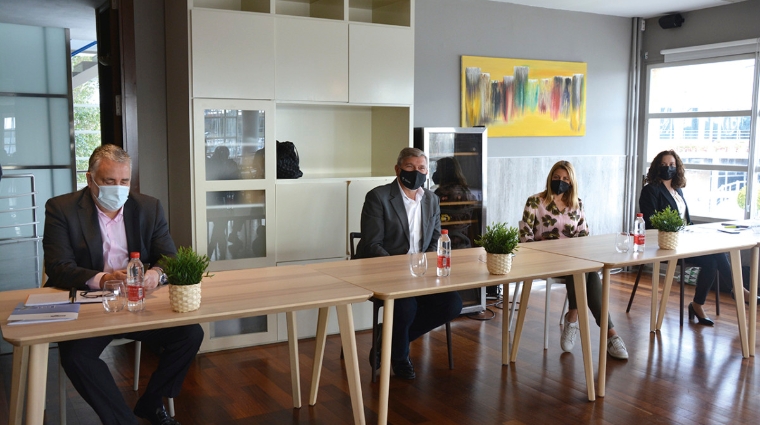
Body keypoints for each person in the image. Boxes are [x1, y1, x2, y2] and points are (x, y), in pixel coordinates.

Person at [43, 144, 203, 425]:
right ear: (90, 179)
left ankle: (152, 403)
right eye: (109, 181)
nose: (118, 187)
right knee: (77, 357)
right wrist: (103, 279)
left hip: (137, 302)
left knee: (190, 334)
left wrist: (155, 274)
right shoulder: (61, 209)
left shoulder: (148, 207)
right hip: (89, 304)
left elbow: (169, 257)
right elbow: (58, 268)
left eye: (124, 181)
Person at [356, 147, 463, 379]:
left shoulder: (432, 200)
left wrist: (424, 268)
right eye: (410, 168)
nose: (416, 172)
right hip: (387, 271)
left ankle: (387, 341)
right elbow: (372, 244)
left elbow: (435, 240)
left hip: (422, 272)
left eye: (421, 168)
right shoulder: (378, 197)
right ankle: (400, 356)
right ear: (397, 170)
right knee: (406, 306)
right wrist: (401, 269)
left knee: (452, 303)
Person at [519, 160, 629, 360]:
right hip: (543, 260)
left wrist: (574, 253)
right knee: (586, 271)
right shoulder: (535, 201)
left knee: (584, 268)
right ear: (550, 178)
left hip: (573, 261)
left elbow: (583, 236)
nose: (560, 182)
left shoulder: (577, 203)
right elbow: (525, 235)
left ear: (571, 182)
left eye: (565, 179)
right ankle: (609, 333)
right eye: (556, 178)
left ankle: (574, 316)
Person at [639, 149, 759, 326]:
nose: (668, 168)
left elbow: (685, 220)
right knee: (716, 257)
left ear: (677, 167)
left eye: (672, 165)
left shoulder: (677, 190)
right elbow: (650, 222)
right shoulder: (651, 190)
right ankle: (738, 290)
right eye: (664, 165)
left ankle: (698, 304)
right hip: (665, 244)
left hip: (685, 241)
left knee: (714, 257)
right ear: (657, 167)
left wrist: (695, 231)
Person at [433, 156, 475, 249]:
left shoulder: (441, 193)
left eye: (437, 170)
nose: (435, 173)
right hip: (464, 241)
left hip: (445, 242)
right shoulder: (466, 191)